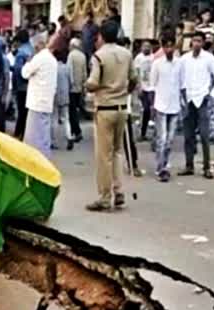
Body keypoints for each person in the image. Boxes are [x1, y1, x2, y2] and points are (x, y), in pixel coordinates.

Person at [85, 20, 136, 212]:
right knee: (117, 151)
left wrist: (88, 86)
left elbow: (93, 82)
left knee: (103, 155)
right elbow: (134, 80)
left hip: (105, 108)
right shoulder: (127, 54)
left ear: (102, 36)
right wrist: (122, 91)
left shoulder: (99, 56)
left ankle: (105, 196)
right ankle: (119, 189)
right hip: (122, 107)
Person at [179, 32, 214, 179]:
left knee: (204, 135)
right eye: (194, 41)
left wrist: (212, 94)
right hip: (189, 99)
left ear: (203, 43)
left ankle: (206, 167)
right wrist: (181, 94)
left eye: (199, 41)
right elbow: (178, 77)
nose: (196, 44)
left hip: (202, 98)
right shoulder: (184, 59)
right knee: (188, 135)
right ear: (191, 43)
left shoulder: (208, 58)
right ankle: (189, 165)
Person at [151, 33, 182, 182]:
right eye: (166, 46)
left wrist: (184, 103)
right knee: (162, 138)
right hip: (161, 105)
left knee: (170, 140)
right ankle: (161, 168)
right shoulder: (157, 64)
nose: (169, 49)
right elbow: (152, 85)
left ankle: (165, 162)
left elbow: (182, 85)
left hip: (175, 105)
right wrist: (152, 106)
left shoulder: (179, 63)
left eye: (172, 46)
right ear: (163, 48)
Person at [22, 34, 57, 158]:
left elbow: (25, 73)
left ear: (39, 45)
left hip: (36, 102)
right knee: (43, 135)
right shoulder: (52, 59)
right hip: (47, 102)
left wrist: (28, 62)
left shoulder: (39, 58)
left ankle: (37, 162)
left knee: (33, 137)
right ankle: (45, 159)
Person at [12, 30, 33, 138]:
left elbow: (18, 71)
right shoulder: (32, 49)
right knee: (27, 112)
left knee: (21, 113)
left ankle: (18, 134)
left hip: (21, 87)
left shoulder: (21, 52)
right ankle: (26, 134)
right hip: (31, 85)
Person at [52, 49, 73, 151]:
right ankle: (69, 136)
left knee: (54, 119)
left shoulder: (52, 68)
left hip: (54, 95)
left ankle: (54, 141)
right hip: (65, 95)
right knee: (65, 118)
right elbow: (71, 81)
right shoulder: (67, 68)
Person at [134, 41, 154, 140]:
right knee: (145, 109)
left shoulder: (153, 58)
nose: (146, 48)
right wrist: (138, 86)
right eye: (144, 46)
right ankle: (142, 132)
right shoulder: (139, 58)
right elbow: (136, 72)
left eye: (148, 46)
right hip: (143, 86)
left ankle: (146, 132)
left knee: (150, 110)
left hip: (152, 87)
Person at [67, 38, 87, 142]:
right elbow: (84, 73)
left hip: (72, 88)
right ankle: (76, 131)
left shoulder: (71, 55)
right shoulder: (82, 56)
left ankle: (76, 131)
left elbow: (69, 71)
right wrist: (84, 86)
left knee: (72, 111)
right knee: (76, 109)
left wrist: (69, 84)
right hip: (79, 87)